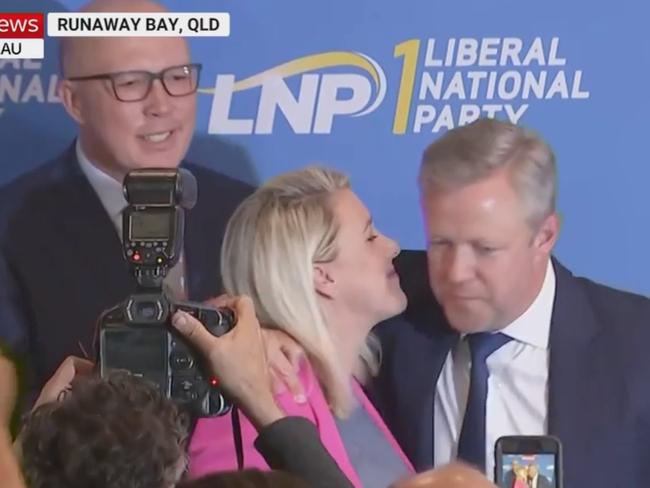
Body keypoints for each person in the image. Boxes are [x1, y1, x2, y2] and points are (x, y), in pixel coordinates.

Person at [365, 118, 650, 487]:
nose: (455, 273)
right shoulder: (392, 305)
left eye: (485, 249)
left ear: (544, 236)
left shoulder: (637, 348)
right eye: (441, 244)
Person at [0, 0, 253, 397]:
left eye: (178, 76)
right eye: (131, 83)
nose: (162, 105)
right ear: (74, 101)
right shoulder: (10, 227)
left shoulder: (246, 210)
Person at [188, 167, 414, 487]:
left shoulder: (344, 386)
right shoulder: (264, 388)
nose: (392, 246)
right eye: (369, 236)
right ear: (322, 275)